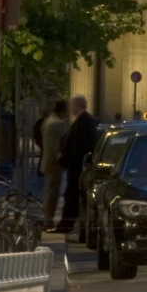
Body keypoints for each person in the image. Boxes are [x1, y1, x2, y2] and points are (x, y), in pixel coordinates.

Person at [55, 96, 97, 233]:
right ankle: (70, 226)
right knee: (74, 197)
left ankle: (66, 226)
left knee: (73, 197)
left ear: (77, 106)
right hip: (77, 167)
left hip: (78, 167)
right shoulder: (84, 120)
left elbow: (78, 146)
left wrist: (65, 159)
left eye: (71, 106)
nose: (69, 109)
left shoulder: (84, 122)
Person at [39, 100, 69, 222]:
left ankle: (47, 218)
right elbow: (58, 146)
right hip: (53, 164)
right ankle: (48, 219)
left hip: (48, 161)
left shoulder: (49, 121)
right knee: (53, 193)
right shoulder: (58, 124)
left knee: (50, 192)